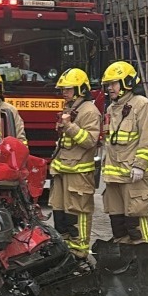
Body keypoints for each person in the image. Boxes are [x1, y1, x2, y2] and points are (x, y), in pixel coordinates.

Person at [101, 60, 148, 244]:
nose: (110, 88)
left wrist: (140, 165)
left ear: (127, 83)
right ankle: (124, 258)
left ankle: (144, 257)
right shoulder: (111, 108)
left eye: (113, 83)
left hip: (133, 176)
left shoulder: (142, 105)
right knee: (119, 225)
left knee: (137, 223)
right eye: (108, 84)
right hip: (114, 176)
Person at [50, 68, 101, 258]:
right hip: (63, 171)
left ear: (80, 89)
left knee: (77, 214)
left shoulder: (89, 111)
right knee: (60, 214)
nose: (64, 92)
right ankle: (64, 252)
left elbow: (90, 141)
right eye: (63, 89)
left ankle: (79, 252)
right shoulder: (69, 108)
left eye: (68, 89)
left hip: (79, 174)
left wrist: (70, 126)